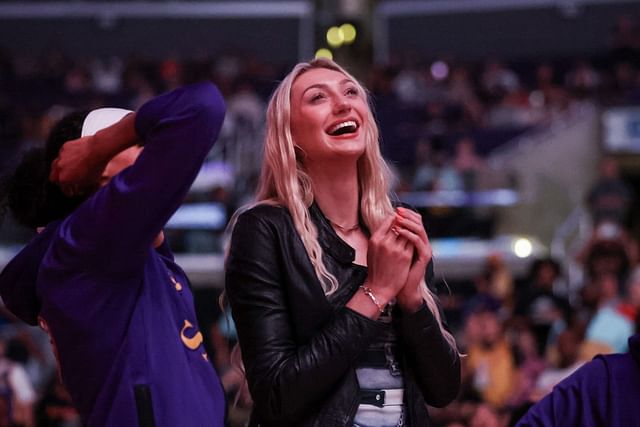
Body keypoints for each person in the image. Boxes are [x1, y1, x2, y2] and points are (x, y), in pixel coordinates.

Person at [224, 58, 460, 427]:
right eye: (318, 97)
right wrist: (376, 291)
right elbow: (276, 394)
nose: (343, 103)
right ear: (291, 136)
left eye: (352, 92)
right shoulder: (265, 230)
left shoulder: (398, 225)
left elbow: (442, 390)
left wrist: (413, 301)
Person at [0, 82, 227, 426]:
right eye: (137, 143)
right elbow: (202, 107)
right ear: (98, 171)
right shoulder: (89, 243)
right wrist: (98, 147)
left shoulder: (144, 255)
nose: (154, 148)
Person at [515, 333, 640, 427]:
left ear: (577, 345)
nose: (565, 348)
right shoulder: (600, 377)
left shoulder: (586, 368)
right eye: (561, 344)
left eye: (569, 343)